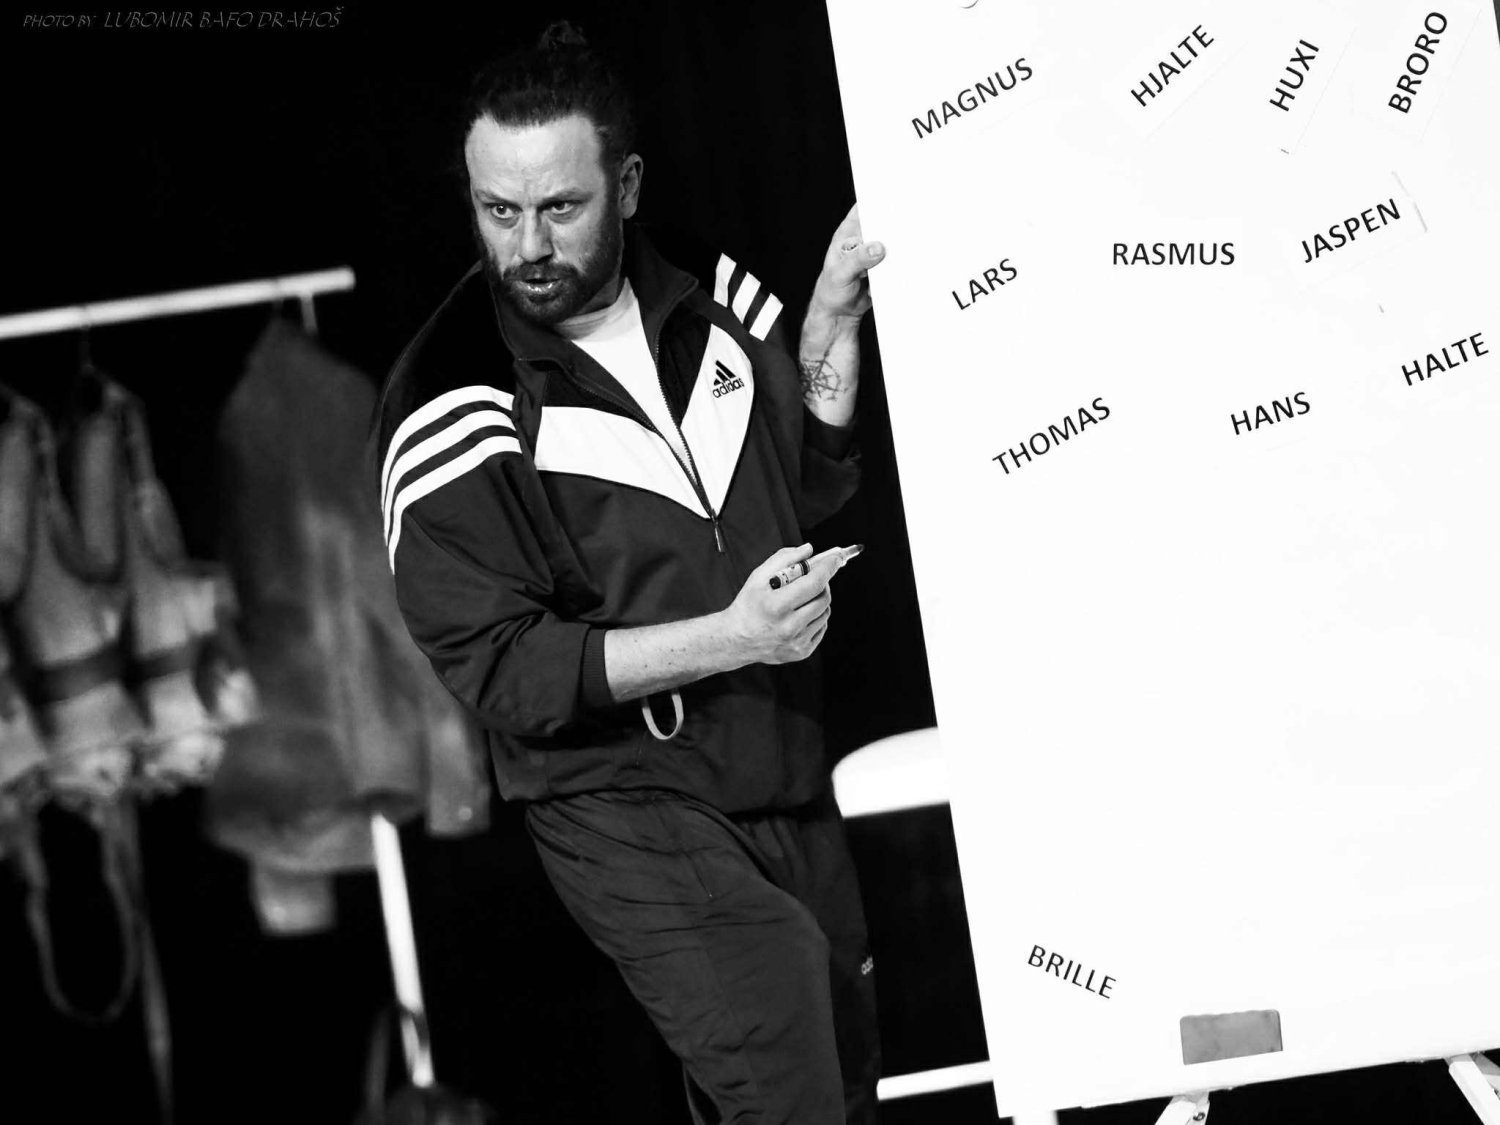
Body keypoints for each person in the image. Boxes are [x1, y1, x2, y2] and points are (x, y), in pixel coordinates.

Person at [372, 21, 886, 1124]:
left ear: (629, 184)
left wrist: (833, 320)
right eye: (498, 211)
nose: (528, 244)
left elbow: (802, 483)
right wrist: (731, 637)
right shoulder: (448, 397)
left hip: (777, 758)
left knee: (843, 1081)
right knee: (786, 1074)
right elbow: (507, 671)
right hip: (623, 797)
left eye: (561, 207)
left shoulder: (713, 291)